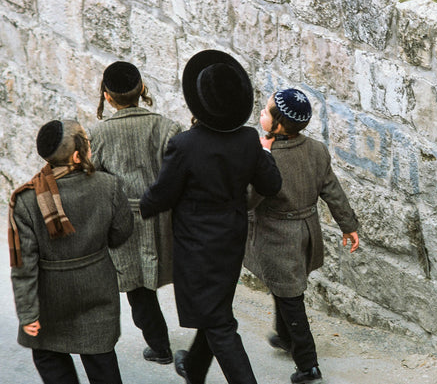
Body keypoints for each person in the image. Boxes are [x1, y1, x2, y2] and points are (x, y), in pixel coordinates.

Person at [139, 49, 282, 384]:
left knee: (219, 323)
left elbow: (163, 193)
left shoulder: (185, 145)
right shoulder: (249, 140)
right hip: (231, 240)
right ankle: (194, 368)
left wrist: (137, 209)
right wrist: (264, 152)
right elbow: (271, 184)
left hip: (196, 247)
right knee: (215, 309)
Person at [244, 88, 360, 384]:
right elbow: (332, 191)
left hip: (276, 237)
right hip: (306, 231)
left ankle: (308, 364)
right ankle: (285, 337)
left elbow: (248, 201)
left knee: (290, 297)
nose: (260, 113)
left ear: (279, 124)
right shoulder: (317, 150)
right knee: (285, 288)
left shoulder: (266, 159)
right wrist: (348, 226)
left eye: (266, 111)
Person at [9, 119, 133, 384]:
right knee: (101, 359)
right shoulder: (108, 186)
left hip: (50, 298)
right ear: (77, 156)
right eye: (86, 141)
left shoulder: (27, 200)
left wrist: (28, 312)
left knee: (48, 357)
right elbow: (121, 234)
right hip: (97, 287)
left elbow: (24, 265)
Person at [89, 61, 182, 365]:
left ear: (107, 96)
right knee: (176, 274)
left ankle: (159, 346)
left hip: (124, 220)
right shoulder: (168, 127)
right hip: (165, 216)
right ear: (142, 89)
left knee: (137, 288)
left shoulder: (99, 135)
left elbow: (97, 181)